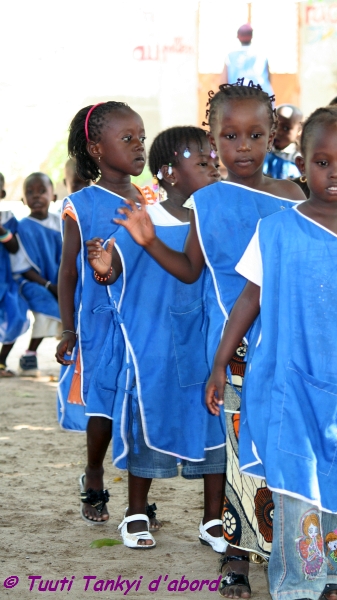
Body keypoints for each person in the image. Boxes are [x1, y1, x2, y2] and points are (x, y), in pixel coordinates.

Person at [110, 81, 305, 597]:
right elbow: (193, 270)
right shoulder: (207, 201)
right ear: (213, 140)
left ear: (274, 136)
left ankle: (295, 550)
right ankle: (238, 557)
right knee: (243, 454)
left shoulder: (295, 196)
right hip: (235, 348)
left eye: (256, 134)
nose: (244, 146)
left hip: (291, 343)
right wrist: (149, 242)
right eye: (230, 135)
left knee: (287, 448)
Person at [205, 104, 337, 600]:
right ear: (301, 163)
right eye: (322, 161)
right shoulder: (277, 230)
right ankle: (299, 585)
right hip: (285, 385)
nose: (335, 173)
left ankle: (334, 571)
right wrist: (220, 362)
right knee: (296, 493)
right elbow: (249, 298)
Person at [86, 125, 227, 551]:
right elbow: (111, 272)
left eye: (213, 159)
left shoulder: (217, 217)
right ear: (168, 173)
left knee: (213, 427)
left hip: (205, 346)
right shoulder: (143, 220)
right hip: (154, 348)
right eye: (202, 161)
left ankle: (213, 520)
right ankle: (135, 510)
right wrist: (103, 265)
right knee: (148, 420)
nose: (213, 167)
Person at [55, 101, 156, 526]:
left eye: (142, 138)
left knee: (140, 408)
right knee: (103, 407)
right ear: (96, 148)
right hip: (99, 322)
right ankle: (94, 473)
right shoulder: (81, 204)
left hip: (143, 321)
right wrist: (67, 328)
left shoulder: (152, 198)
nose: (139, 147)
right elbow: (66, 273)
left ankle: (139, 499)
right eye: (127, 139)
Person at [15, 173, 62, 376]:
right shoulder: (22, 227)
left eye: (42, 191)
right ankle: (30, 354)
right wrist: (49, 286)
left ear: (54, 196)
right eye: (30, 192)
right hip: (31, 281)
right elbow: (22, 267)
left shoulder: (61, 222)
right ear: (22, 200)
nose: (36, 196)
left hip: (58, 280)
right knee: (46, 308)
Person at [0, 172, 29, 376]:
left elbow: (14, 247)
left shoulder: (8, 219)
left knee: (16, 317)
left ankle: (1, 361)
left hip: (5, 280)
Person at [221, 24, 273, 96]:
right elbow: (268, 79)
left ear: (238, 37)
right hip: (260, 94)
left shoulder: (230, 56)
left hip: (237, 95)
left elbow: (224, 81)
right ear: (251, 36)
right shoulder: (262, 55)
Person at [263, 104, 302, 180]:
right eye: (275, 125)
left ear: (299, 131)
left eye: (286, 128)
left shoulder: (297, 160)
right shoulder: (264, 150)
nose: (278, 132)